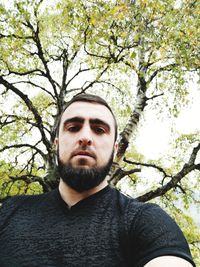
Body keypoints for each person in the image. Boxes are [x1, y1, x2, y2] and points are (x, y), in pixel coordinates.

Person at [0, 94, 196, 267]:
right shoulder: (9, 212)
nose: (85, 137)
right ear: (56, 143)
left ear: (114, 148)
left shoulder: (146, 221)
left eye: (99, 130)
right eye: (73, 127)